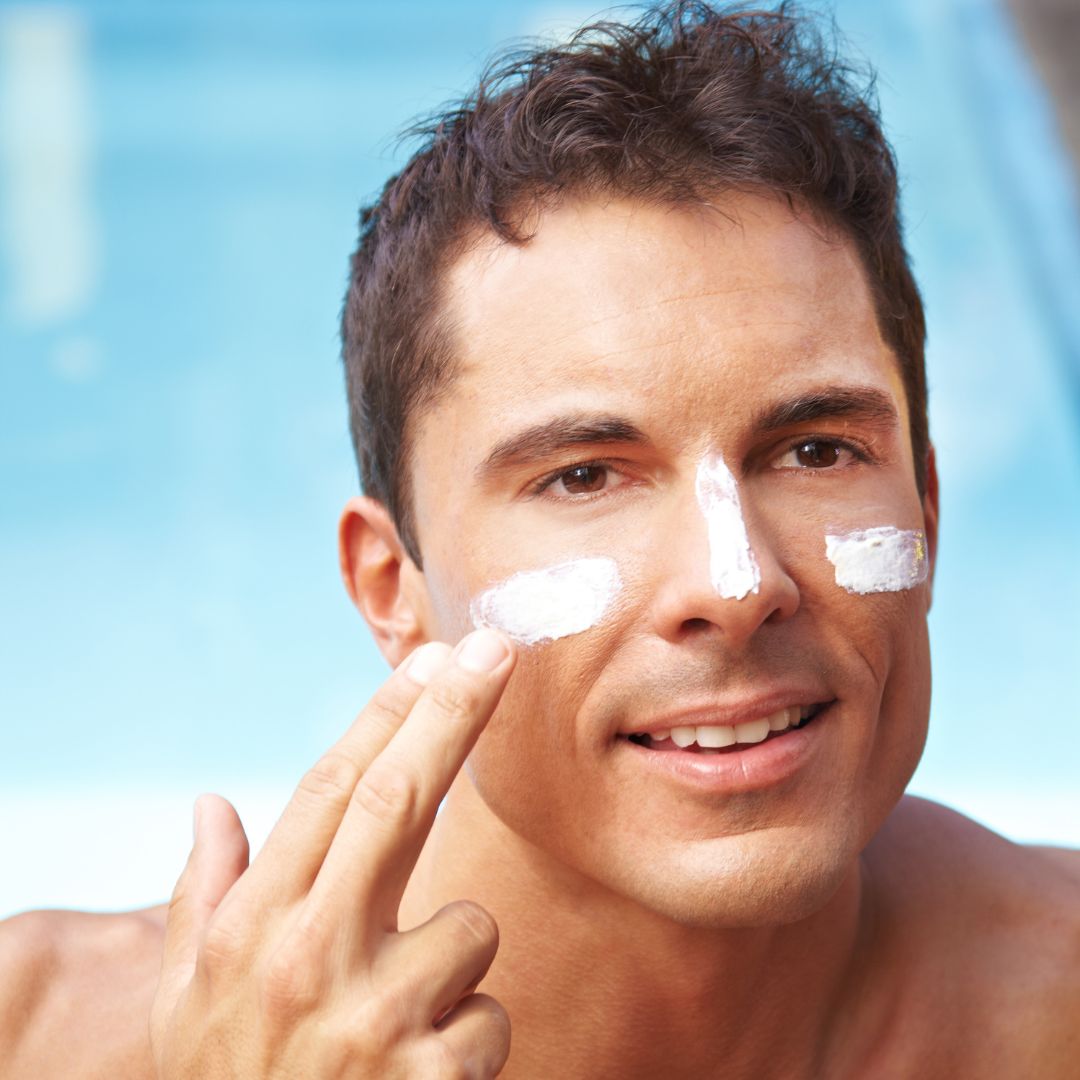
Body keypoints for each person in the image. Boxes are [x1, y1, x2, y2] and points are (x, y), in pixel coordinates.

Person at [2, 3, 1077, 1077]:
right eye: (583, 476)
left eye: (815, 452)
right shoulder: (40, 1033)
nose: (736, 583)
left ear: (927, 515)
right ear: (393, 589)